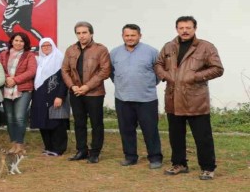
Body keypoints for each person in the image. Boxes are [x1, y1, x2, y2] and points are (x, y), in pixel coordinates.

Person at [155, 16, 223, 180]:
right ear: (176, 29)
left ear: (194, 28)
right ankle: (179, 164)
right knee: (175, 136)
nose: (184, 31)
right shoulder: (168, 46)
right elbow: (158, 64)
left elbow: (218, 68)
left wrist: (194, 76)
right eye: (181, 28)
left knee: (202, 137)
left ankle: (208, 167)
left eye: (188, 28)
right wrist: (166, 75)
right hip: (172, 99)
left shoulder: (206, 47)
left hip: (195, 100)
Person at [109, 24, 163, 169]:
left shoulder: (151, 52)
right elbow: (111, 72)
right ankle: (130, 156)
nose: (130, 38)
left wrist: (147, 85)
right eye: (127, 35)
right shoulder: (114, 53)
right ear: (122, 36)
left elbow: (159, 73)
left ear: (140, 35)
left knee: (150, 129)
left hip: (146, 99)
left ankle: (155, 157)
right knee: (126, 130)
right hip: (123, 99)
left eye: (133, 35)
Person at [61, 21, 111, 164]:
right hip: (76, 92)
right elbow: (64, 70)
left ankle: (95, 152)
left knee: (96, 123)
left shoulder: (100, 49)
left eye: (84, 32)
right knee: (79, 122)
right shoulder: (71, 50)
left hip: (94, 93)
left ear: (91, 33)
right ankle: (81, 150)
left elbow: (105, 71)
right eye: (78, 33)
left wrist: (87, 86)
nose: (81, 36)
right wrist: (72, 86)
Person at [0, 32, 37, 154]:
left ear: (25, 43)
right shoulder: (4, 54)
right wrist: (7, 78)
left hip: (23, 89)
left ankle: (20, 144)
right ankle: (13, 143)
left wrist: (15, 80)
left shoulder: (29, 55)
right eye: (16, 40)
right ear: (12, 41)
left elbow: (31, 71)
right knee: (9, 118)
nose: (18, 43)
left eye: (21, 41)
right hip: (6, 89)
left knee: (19, 117)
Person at [30, 38, 69, 156]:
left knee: (57, 121)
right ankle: (49, 146)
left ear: (53, 46)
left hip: (55, 95)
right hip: (40, 95)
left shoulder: (60, 59)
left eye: (48, 45)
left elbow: (64, 80)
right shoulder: (40, 60)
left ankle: (59, 148)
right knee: (43, 120)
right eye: (43, 46)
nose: (46, 47)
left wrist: (60, 96)